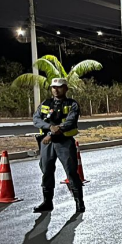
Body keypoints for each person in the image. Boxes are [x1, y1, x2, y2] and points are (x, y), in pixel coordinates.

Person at [32, 78, 85, 214]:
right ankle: (47, 202)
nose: (56, 89)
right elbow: (36, 119)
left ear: (66, 88)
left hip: (64, 142)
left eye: (59, 87)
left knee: (71, 172)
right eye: (53, 87)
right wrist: (50, 127)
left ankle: (79, 203)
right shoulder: (45, 103)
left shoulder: (72, 104)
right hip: (46, 143)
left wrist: (53, 132)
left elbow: (70, 122)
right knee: (47, 172)